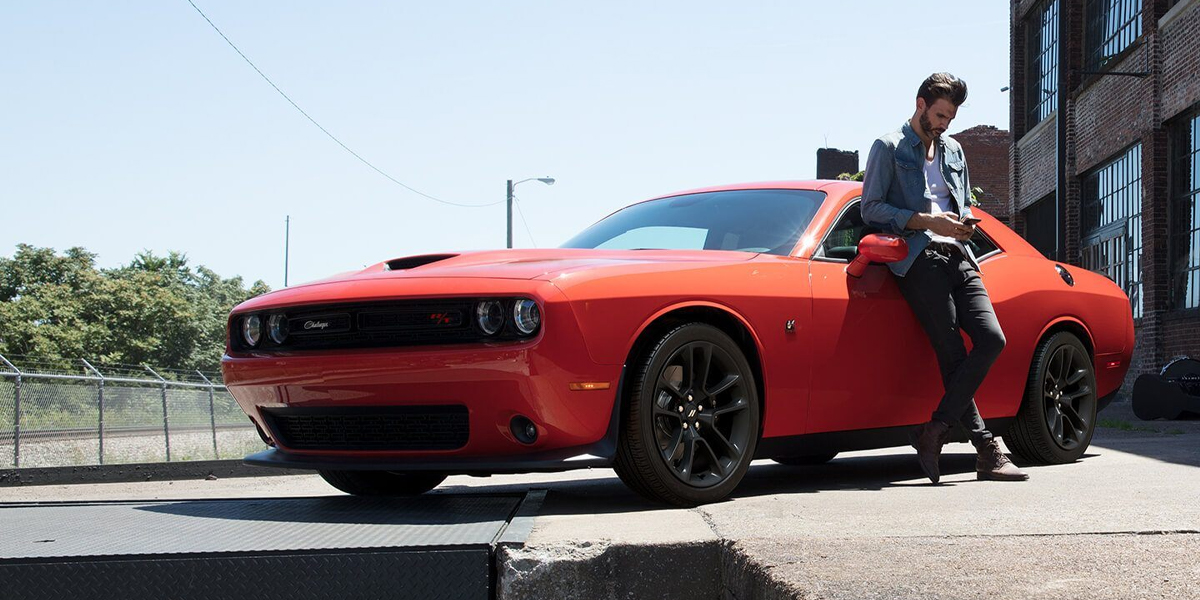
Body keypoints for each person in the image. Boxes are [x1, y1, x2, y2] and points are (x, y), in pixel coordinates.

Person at [860, 72, 1028, 484]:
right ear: (920, 105)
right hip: (918, 256)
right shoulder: (889, 147)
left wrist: (964, 223)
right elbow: (871, 208)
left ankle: (933, 430)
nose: (944, 124)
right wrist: (924, 220)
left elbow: (962, 199)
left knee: (992, 339)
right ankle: (988, 449)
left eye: (950, 117)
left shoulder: (954, 150)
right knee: (951, 352)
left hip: (959, 253)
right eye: (939, 115)